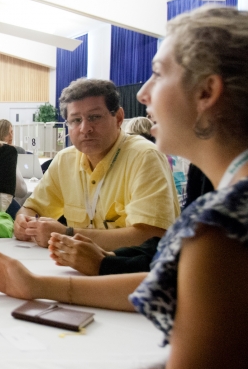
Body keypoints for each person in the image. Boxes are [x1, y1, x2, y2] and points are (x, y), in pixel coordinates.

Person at [0, 6, 248, 369]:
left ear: (207, 92)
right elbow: (181, 287)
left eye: (158, 73)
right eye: (74, 120)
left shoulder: (223, 224)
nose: (143, 93)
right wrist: (41, 285)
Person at [14, 79, 180, 251]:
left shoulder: (145, 157)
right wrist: (23, 222)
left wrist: (68, 235)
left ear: (119, 118)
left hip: (133, 273)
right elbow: (31, 209)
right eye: (76, 120)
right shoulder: (65, 160)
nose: (85, 128)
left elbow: (151, 237)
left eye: (94, 117)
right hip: (76, 270)